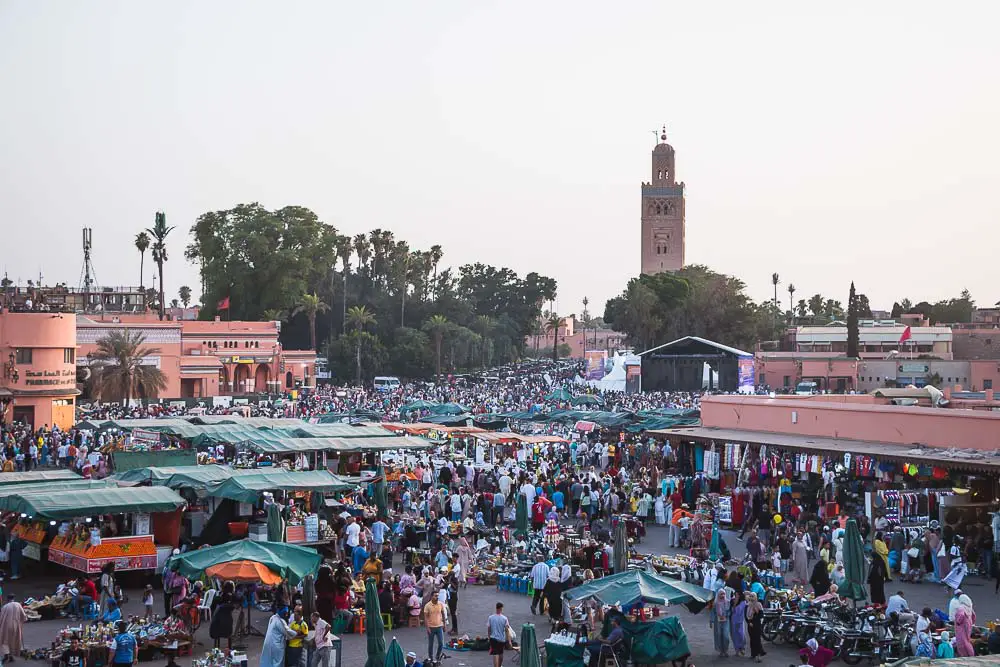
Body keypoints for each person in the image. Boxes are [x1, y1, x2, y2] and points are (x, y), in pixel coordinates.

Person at [0, 595, 27, 663]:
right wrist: (22, 621)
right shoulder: (18, 605)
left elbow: (1, 617)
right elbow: (23, 616)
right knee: (13, 641)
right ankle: (11, 656)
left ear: (7, 599)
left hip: (6, 627)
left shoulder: (5, 607)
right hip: (16, 626)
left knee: (5, 641)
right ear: (14, 598)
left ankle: (7, 656)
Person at [209, 584, 235, 651]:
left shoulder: (217, 598)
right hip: (228, 625)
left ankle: (216, 649)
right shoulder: (233, 598)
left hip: (217, 626)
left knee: (215, 624)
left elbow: (212, 608)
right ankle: (229, 648)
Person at [424, 592, 446, 662]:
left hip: (439, 626)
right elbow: (425, 618)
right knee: (431, 644)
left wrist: (444, 624)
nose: (437, 597)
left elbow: (443, 614)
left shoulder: (440, 604)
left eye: (437, 596)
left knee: (441, 643)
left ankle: (437, 656)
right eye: (435, 596)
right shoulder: (427, 606)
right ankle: (430, 658)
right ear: (431, 597)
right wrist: (427, 628)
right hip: (431, 627)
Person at [487, 602, 511, 667]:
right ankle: (499, 665)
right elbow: (507, 630)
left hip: (493, 638)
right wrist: (509, 641)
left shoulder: (490, 617)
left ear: (496, 608)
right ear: (501, 608)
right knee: (500, 653)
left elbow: (489, 628)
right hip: (501, 639)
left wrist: (489, 637)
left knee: (495, 654)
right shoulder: (505, 618)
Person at [710, 588, 731, 658]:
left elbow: (730, 611)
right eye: (721, 594)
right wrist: (711, 621)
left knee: (726, 636)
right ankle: (721, 651)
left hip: (726, 621)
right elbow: (712, 612)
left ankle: (726, 650)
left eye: (724, 594)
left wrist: (726, 615)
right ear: (718, 595)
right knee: (718, 635)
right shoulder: (715, 603)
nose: (722, 595)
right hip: (717, 621)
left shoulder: (728, 602)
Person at [745, 592, 765, 663]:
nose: (751, 598)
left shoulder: (759, 605)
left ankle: (759, 655)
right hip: (750, 624)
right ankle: (753, 654)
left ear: (756, 597)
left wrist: (756, 611)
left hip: (757, 624)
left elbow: (761, 615)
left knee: (757, 639)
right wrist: (749, 622)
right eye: (750, 596)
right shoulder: (747, 605)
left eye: (753, 596)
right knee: (752, 639)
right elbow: (746, 616)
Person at [730, 589, 746, 657]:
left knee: (741, 635)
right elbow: (732, 610)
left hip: (740, 621)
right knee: (734, 635)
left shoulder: (743, 602)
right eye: (736, 594)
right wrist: (735, 602)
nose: (737, 596)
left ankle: (742, 648)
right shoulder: (732, 601)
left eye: (738, 594)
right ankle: (737, 650)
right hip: (733, 620)